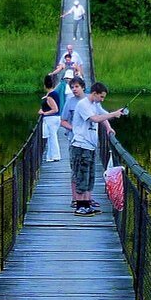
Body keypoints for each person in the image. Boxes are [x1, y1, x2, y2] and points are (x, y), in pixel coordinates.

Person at [70, 81, 126, 215]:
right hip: (81, 145)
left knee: (90, 176)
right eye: (101, 97)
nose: (102, 99)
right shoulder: (83, 104)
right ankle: (80, 206)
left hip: (90, 146)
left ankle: (87, 203)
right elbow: (95, 119)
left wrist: (108, 128)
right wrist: (113, 114)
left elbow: (102, 115)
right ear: (94, 93)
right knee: (82, 176)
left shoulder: (95, 104)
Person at [60, 77, 85, 205]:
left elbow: (100, 116)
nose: (74, 89)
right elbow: (63, 121)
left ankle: (86, 200)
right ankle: (75, 199)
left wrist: (108, 128)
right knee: (75, 170)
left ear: (83, 87)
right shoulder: (69, 102)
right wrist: (73, 128)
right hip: (74, 141)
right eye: (72, 87)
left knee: (86, 171)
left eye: (76, 87)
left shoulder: (90, 101)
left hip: (88, 142)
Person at [39, 73, 62, 163]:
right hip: (55, 119)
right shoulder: (53, 93)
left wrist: (44, 113)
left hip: (51, 119)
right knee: (51, 137)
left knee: (52, 137)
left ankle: (55, 156)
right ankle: (50, 156)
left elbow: (55, 109)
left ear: (45, 85)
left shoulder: (50, 97)